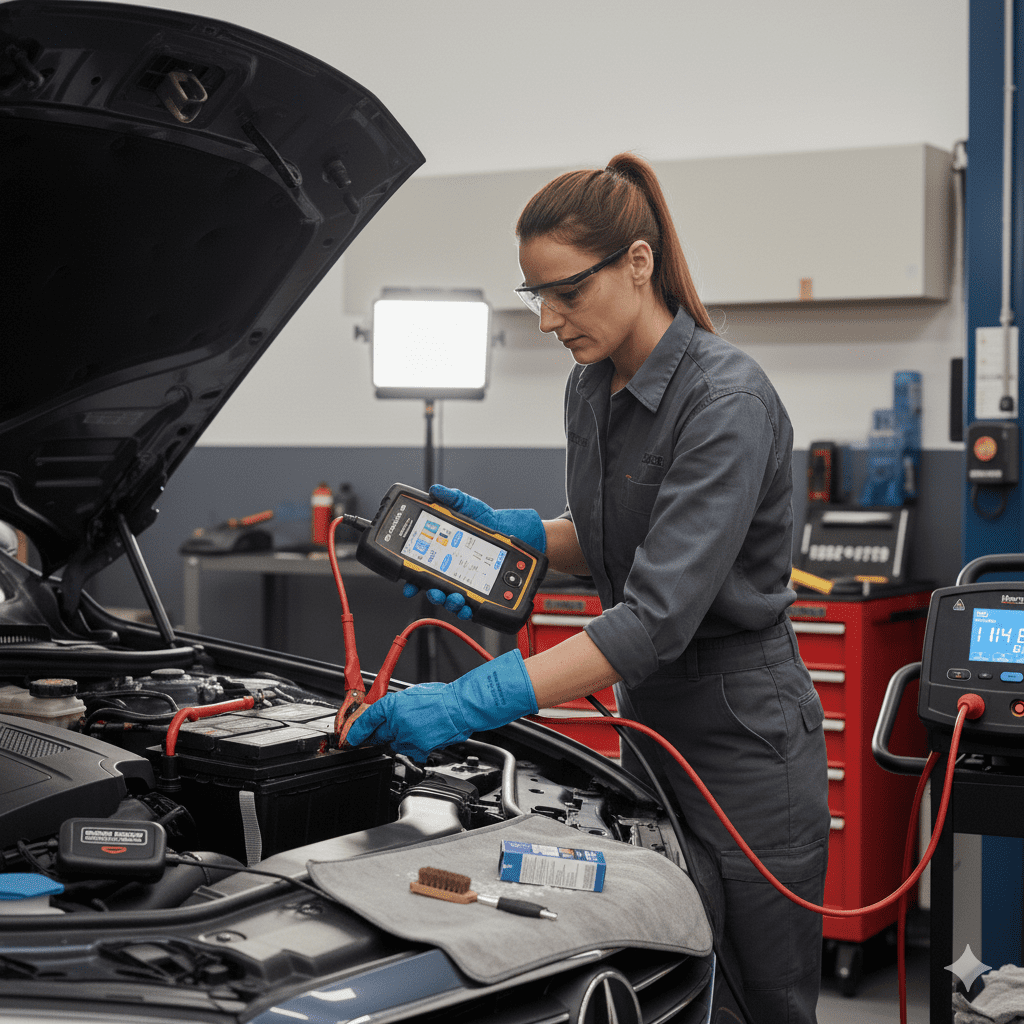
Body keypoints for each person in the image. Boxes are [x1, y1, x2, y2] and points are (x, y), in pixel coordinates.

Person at [346, 152, 830, 1023]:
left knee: (763, 996)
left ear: (638, 263)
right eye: (537, 297)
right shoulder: (590, 388)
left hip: (744, 734)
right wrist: (518, 539)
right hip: (652, 728)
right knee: (674, 968)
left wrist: (466, 701)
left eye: (565, 292)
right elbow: (612, 542)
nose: (549, 320)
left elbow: (650, 620)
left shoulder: (728, 400)